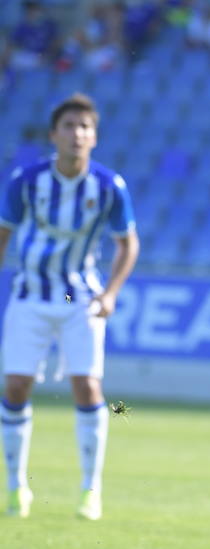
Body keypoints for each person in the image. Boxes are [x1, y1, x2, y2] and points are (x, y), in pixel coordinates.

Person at [1, 93, 140, 521]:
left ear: (94, 137)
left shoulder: (108, 186)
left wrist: (111, 293)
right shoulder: (26, 181)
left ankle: (89, 490)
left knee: (88, 388)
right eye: (69, 126)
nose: (76, 133)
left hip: (79, 296)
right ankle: (15, 487)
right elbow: (3, 234)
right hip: (31, 293)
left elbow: (127, 244)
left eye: (84, 127)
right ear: (53, 135)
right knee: (16, 387)